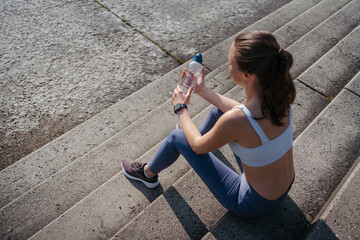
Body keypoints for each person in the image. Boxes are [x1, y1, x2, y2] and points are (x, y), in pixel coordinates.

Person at [121, 30, 296, 218]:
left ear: (248, 75)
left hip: (250, 203)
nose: (228, 66)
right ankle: (202, 137)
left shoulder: (236, 121)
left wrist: (181, 109)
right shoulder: (280, 99)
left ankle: (147, 175)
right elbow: (240, 113)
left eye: (230, 63)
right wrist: (203, 90)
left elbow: (197, 146)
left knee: (177, 137)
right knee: (218, 111)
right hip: (282, 187)